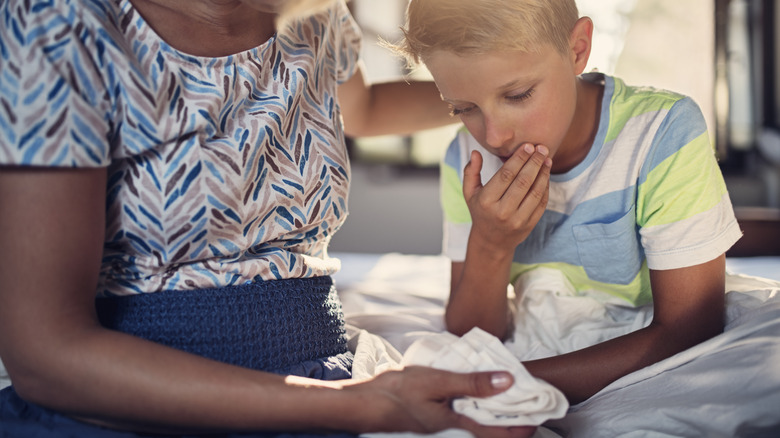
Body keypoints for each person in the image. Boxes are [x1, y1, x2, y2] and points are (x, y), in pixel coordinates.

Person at [0, 1, 538, 437]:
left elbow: (367, 109)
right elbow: (45, 355)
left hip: (324, 367)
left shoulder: (312, 14)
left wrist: (510, 93)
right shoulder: (57, 27)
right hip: (143, 399)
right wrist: (355, 406)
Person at [392, 0, 743, 405]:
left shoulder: (662, 133)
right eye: (464, 108)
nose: (494, 136)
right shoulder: (465, 158)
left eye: (518, 94)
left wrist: (508, 383)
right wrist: (491, 244)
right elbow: (473, 333)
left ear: (577, 49)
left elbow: (690, 328)